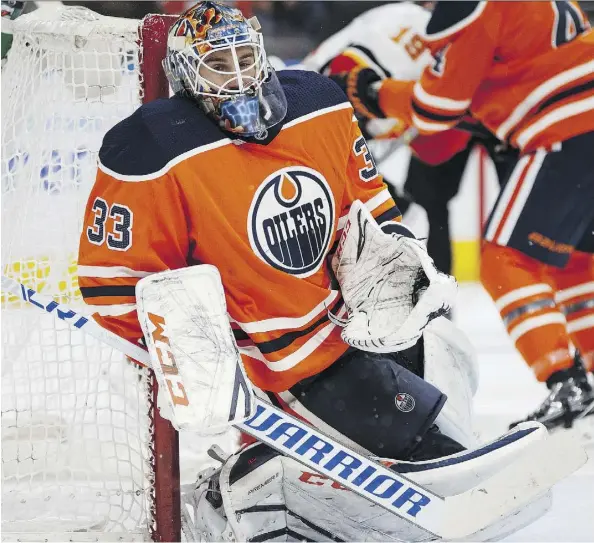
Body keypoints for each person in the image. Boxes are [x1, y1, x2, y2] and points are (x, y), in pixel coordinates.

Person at [77, 0, 465, 467]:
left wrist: (393, 253)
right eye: (218, 65)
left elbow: (369, 200)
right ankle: (268, 466)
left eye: (245, 58)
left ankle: (275, 468)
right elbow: (112, 283)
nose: (239, 77)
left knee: (449, 361)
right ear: (186, 73)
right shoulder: (156, 148)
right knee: (422, 445)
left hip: (356, 327)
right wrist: (190, 356)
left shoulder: (315, 104)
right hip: (279, 363)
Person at [333, 0, 594, 430]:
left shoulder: (471, 5)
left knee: (504, 260)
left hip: (565, 128)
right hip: (577, 119)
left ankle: (566, 381)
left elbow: (437, 110)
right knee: (575, 265)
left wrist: (373, 93)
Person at [299, 1, 519, 278]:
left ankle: (429, 294)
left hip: (374, 104)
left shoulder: (410, 23)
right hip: (370, 104)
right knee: (415, 209)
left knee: (416, 209)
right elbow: (351, 78)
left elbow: (350, 77)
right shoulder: (415, 25)